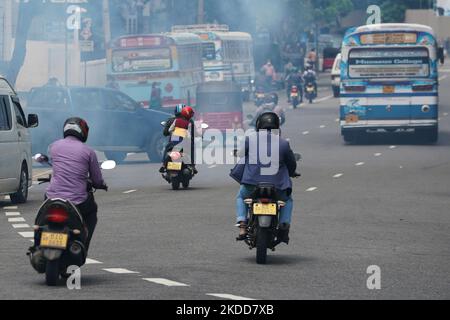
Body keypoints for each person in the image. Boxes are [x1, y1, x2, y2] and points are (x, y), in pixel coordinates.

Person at [231, 112, 299, 244]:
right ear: (277, 126)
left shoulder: (250, 139)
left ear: (258, 125)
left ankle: (242, 224)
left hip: (251, 185)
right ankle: (284, 225)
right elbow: (291, 164)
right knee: (288, 200)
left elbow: (241, 154)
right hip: (278, 187)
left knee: (241, 196)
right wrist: (293, 173)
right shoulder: (284, 143)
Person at [44, 117, 107, 252]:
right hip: (77, 201)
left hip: (51, 197)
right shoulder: (89, 151)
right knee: (91, 213)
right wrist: (102, 185)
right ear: (83, 132)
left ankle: (40, 237)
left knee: (43, 218)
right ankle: (82, 247)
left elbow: (53, 163)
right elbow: (96, 180)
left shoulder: (53, 146)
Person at [159, 105, 196, 173]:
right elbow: (193, 132)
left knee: (167, 148)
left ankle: (163, 165)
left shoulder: (172, 120)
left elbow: (166, 132)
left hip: (174, 140)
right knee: (192, 148)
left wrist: (172, 132)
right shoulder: (190, 121)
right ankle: (192, 166)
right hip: (185, 141)